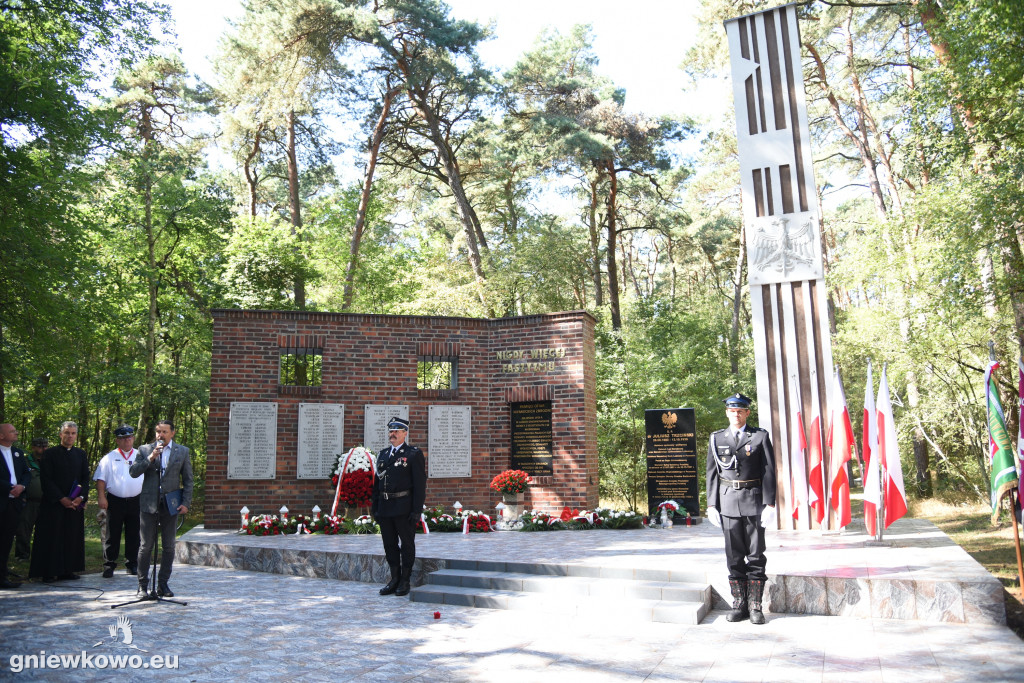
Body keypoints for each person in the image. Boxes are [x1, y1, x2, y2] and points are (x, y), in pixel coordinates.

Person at [706, 393, 777, 625]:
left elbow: (768, 471)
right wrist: (711, 504)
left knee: (755, 555)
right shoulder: (717, 438)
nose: (736, 414)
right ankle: (740, 604)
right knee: (734, 556)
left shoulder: (759, 436)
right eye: (732, 410)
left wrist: (770, 503)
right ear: (727, 412)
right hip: (727, 503)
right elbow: (712, 473)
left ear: (747, 412)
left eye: (740, 410)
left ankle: (756, 607)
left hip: (754, 501)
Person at [131, 420, 192, 598]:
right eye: (158, 431)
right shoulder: (144, 450)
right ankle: (142, 586)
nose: (161, 435)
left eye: (165, 432)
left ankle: (163, 584)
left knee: (168, 546)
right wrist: (151, 458)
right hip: (149, 503)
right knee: (146, 546)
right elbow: (134, 472)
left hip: (170, 505)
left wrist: (186, 503)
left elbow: (188, 480)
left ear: (172, 433)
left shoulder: (182, 451)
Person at [371, 416, 426, 597]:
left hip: (404, 507)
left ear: (405, 433)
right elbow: (376, 483)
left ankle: (405, 580)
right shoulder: (383, 454)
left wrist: (417, 510)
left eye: (396, 431)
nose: (392, 434)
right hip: (386, 507)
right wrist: (375, 507)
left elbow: (419, 484)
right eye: (391, 431)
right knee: (389, 545)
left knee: (407, 545)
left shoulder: (413, 454)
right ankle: (394, 579)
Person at [30, 422, 89, 583]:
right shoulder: (49, 454)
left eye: (73, 433)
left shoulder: (81, 454)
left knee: (71, 536)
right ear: (60, 435)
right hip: (53, 503)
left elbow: (85, 477)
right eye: (67, 433)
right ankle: (48, 571)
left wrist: (81, 497)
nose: (70, 436)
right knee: (52, 536)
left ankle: (67, 570)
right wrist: (61, 498)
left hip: (75, 503)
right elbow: (46, 479)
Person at [93, 425, 143, 578]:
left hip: (136, 500)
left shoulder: (140, 456)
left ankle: (132, 563)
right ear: (117, 440)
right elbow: (100, 479)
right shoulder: (109, 457)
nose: (126, 440)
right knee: (112, 533)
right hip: (115, 501)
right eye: (122, 438)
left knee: (134, 533)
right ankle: (109, 564)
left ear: (133, 438)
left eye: (129, 437)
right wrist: (101, 497)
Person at [1, 423, 31, 589]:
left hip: (15, 503)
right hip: (2, 499)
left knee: (7, 539)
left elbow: (26, 473)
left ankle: (3, 575)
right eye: (12, 431)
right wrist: (10, 488)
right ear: (1, 435)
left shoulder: (18, 453)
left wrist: (22, 487)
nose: (16, 433)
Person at [14, 437, 47, 561]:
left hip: (46, 501)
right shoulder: (25, 461)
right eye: (40, 446)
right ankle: (22, 555)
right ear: (33, 447)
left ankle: (40, 555)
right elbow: (19, 478)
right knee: (23, 529)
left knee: (44, 530)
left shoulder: (49, 461)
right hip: (29, 501)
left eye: (45, 446)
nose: (43, 449)